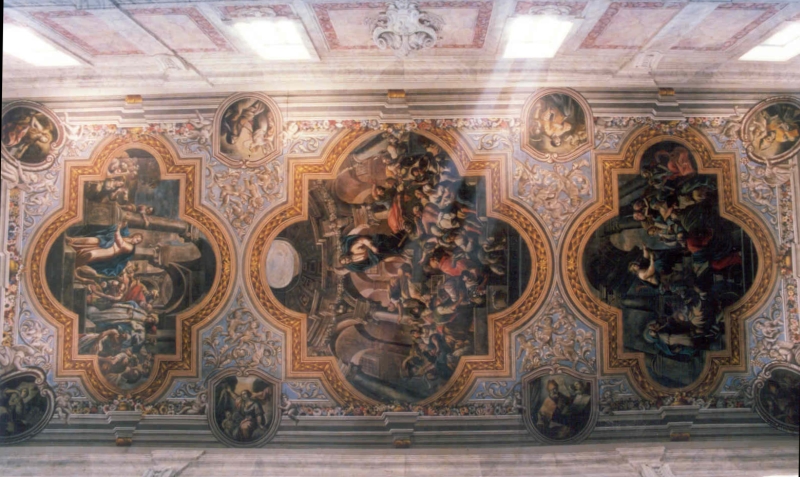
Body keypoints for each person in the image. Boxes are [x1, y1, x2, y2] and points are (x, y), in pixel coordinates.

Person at [66, 222, 143, 277]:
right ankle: (71, 240)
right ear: (134, 235)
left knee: (91, 254)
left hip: (109, 251)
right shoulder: (126, 236)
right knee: (88, 240)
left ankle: (74, 264)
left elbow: (120, 243)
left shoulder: (130, 247)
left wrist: (118, 229)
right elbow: (123, 226)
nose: (136, 240)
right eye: (136, 237)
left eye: (138, 240)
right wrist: (123, 223)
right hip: (107, 241)